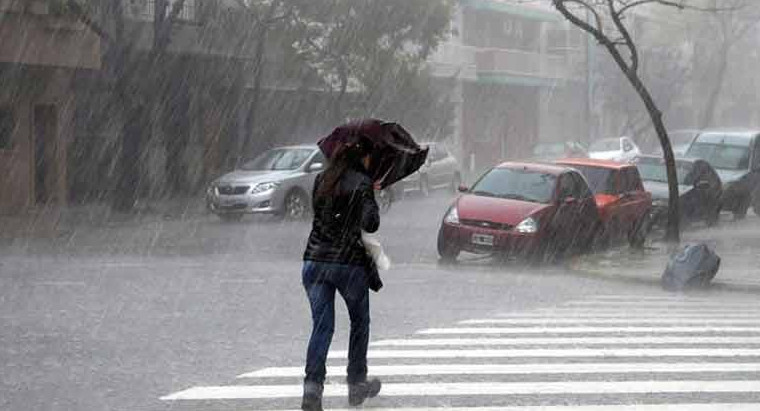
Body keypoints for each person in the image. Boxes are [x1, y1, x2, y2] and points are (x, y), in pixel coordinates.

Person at [301, 138, 382, 411]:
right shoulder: (362, 182)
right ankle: (356, 384)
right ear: (361, 158)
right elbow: (371, 223)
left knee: (322, 327)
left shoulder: (321, 180)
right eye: (369, 157)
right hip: (348, 264)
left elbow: (321, 216)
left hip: (314, 261)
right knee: (360, 323)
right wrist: (371, 193)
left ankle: (312, 389)